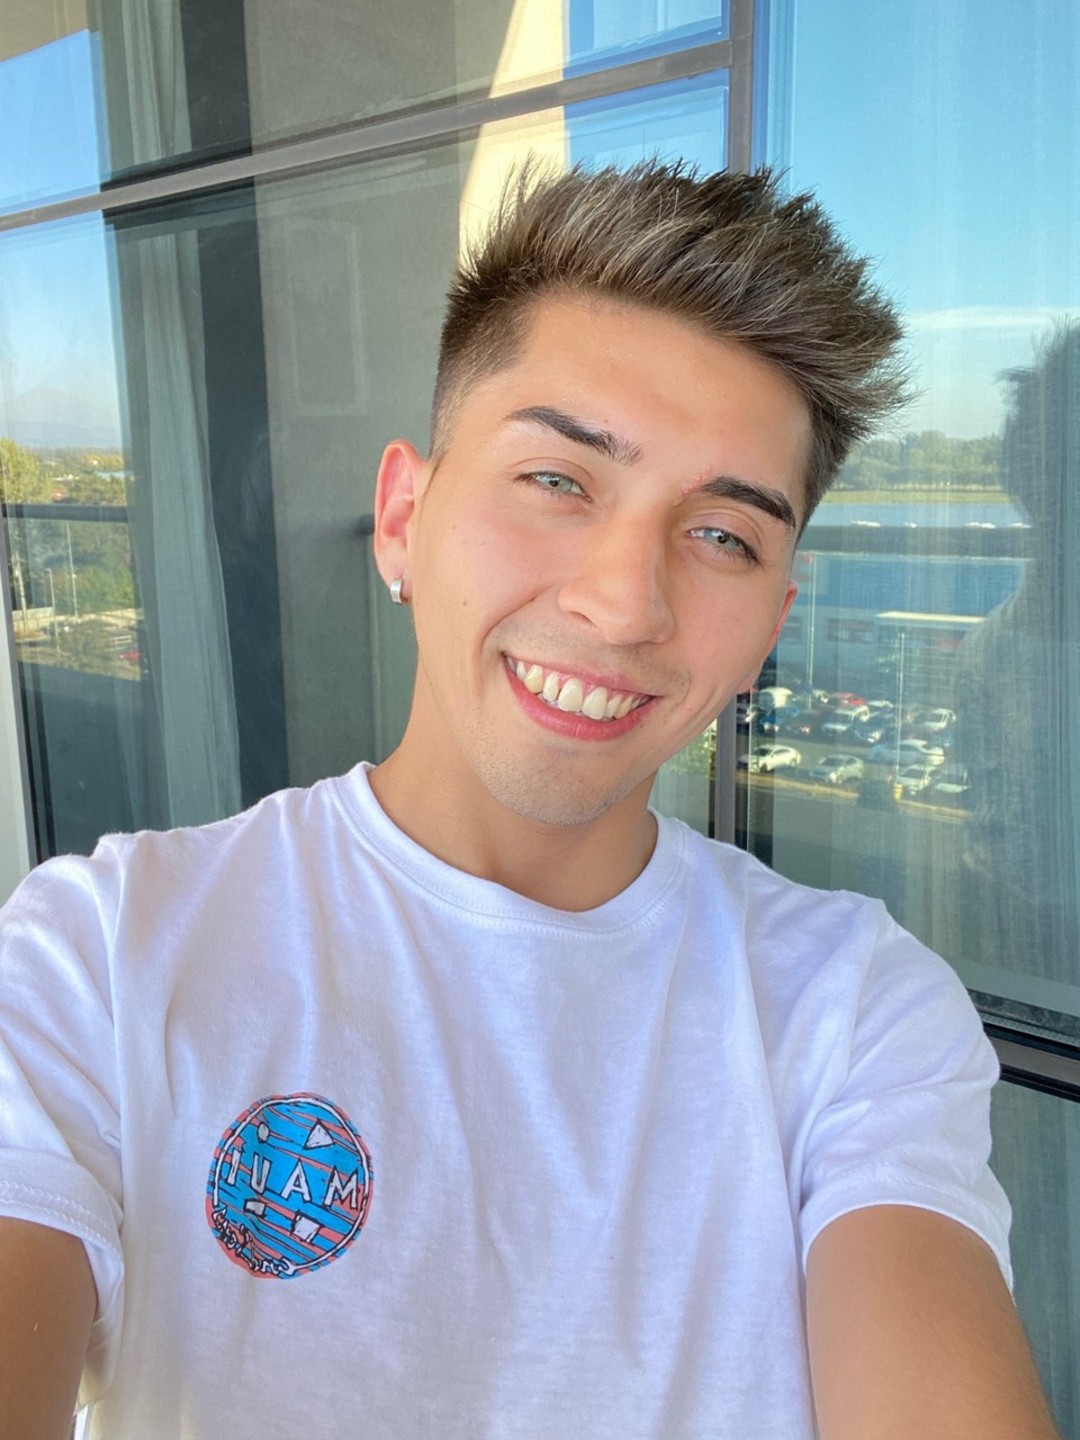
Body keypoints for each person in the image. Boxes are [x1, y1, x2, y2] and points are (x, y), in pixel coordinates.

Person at [0, 161, 1060, 1440]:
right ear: (404, 517)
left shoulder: (853, 1013)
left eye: (723, 534)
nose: (625, 602)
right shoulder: (103, 955)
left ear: (771, 626)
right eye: (559, 480)